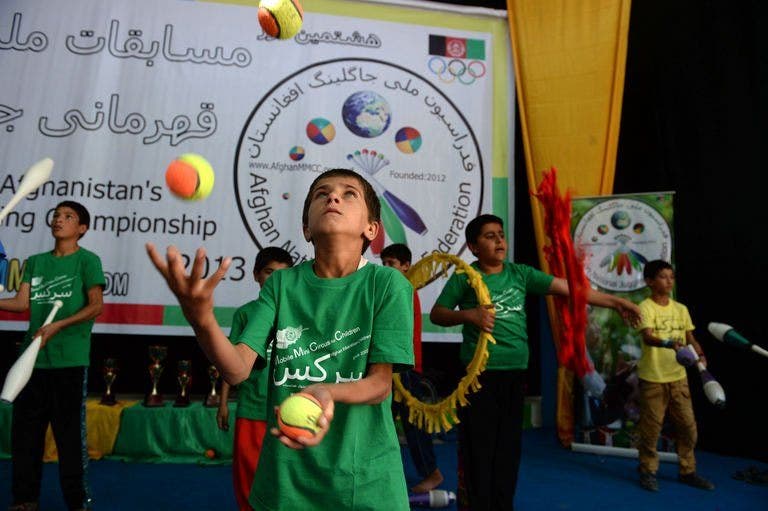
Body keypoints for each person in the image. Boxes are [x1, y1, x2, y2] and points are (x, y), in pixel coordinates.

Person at [147, 168, 414, 510]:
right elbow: (238, 370)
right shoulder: (281, 284)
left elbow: (379, 385)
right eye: (322, 193)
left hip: (364, 483)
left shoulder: (388, 285)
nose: (333, 197)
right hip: (285, 484)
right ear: (306, 228)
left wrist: (325, 392)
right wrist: (202, 320)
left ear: (371, 229)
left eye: (349, 194)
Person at [429, 213, 641, 511]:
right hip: (479, 377)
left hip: (514, 374)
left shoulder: (520, 274)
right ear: (473, 247)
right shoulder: (465, 276)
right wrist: (469, 315)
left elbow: (571, 289)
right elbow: (438, 313)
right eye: (489, 236)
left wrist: (617, 302)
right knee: (480, 447)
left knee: (508, 449)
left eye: (501, 234)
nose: (499, 240)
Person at [0, 201, 105, 511]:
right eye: (57, 215)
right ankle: (25, 500)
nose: (59, 220)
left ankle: (76, 501)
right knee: (25, 437)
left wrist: (58, 325)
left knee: (69, 439)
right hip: (31, 363)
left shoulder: (88, 261)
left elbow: (96, 305)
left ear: (81, 228)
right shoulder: (35, 262)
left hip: (69, 363)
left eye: (68, 216)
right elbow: (22, 303)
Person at [216, 246, 294, 511]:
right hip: (251, 407)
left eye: (282, 274)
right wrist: (224, 403)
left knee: (286, 476)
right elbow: (230, 362)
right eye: (269, 272)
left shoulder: (299, 313)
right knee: (247, 472)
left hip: (289, 409)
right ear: (256, 275)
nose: (275, 279)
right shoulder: (245, 314)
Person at [635, 259, 714, 492]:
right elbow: (648, 337)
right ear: (649, 281)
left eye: (671, 276)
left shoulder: (681, 309)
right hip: (653, 378)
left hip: (678, 378)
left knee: (689, 427)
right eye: (663, 276)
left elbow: (690, 338)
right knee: (651, 429)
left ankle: (688, 471)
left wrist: (700, 354)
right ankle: (647, 471)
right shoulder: (645, 307)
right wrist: (670, 343)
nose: (669, 280)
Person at [380, 243, 444, 493]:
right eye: (383, 263)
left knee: (413, 426)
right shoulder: (395, 289)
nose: (386, 268)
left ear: (406, 266)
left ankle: (432, 473)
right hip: (394, 368)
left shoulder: (402, 289)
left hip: (404, 369)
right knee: (384, 423)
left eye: (391, 264)